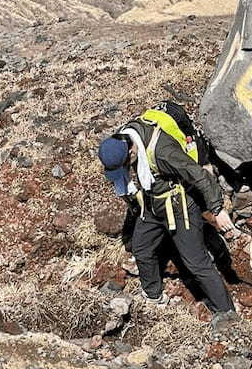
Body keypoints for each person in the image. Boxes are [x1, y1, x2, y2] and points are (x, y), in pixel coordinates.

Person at [98, 101, 236, 314]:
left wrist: (217, 209)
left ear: (131, 152)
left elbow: (199, 175)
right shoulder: (123, 136)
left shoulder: (162, 151)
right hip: (152, 202)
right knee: (142, 249)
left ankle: (227, 314)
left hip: (179, 207)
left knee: (196, 263)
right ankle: (153, 296)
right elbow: (124, 182)